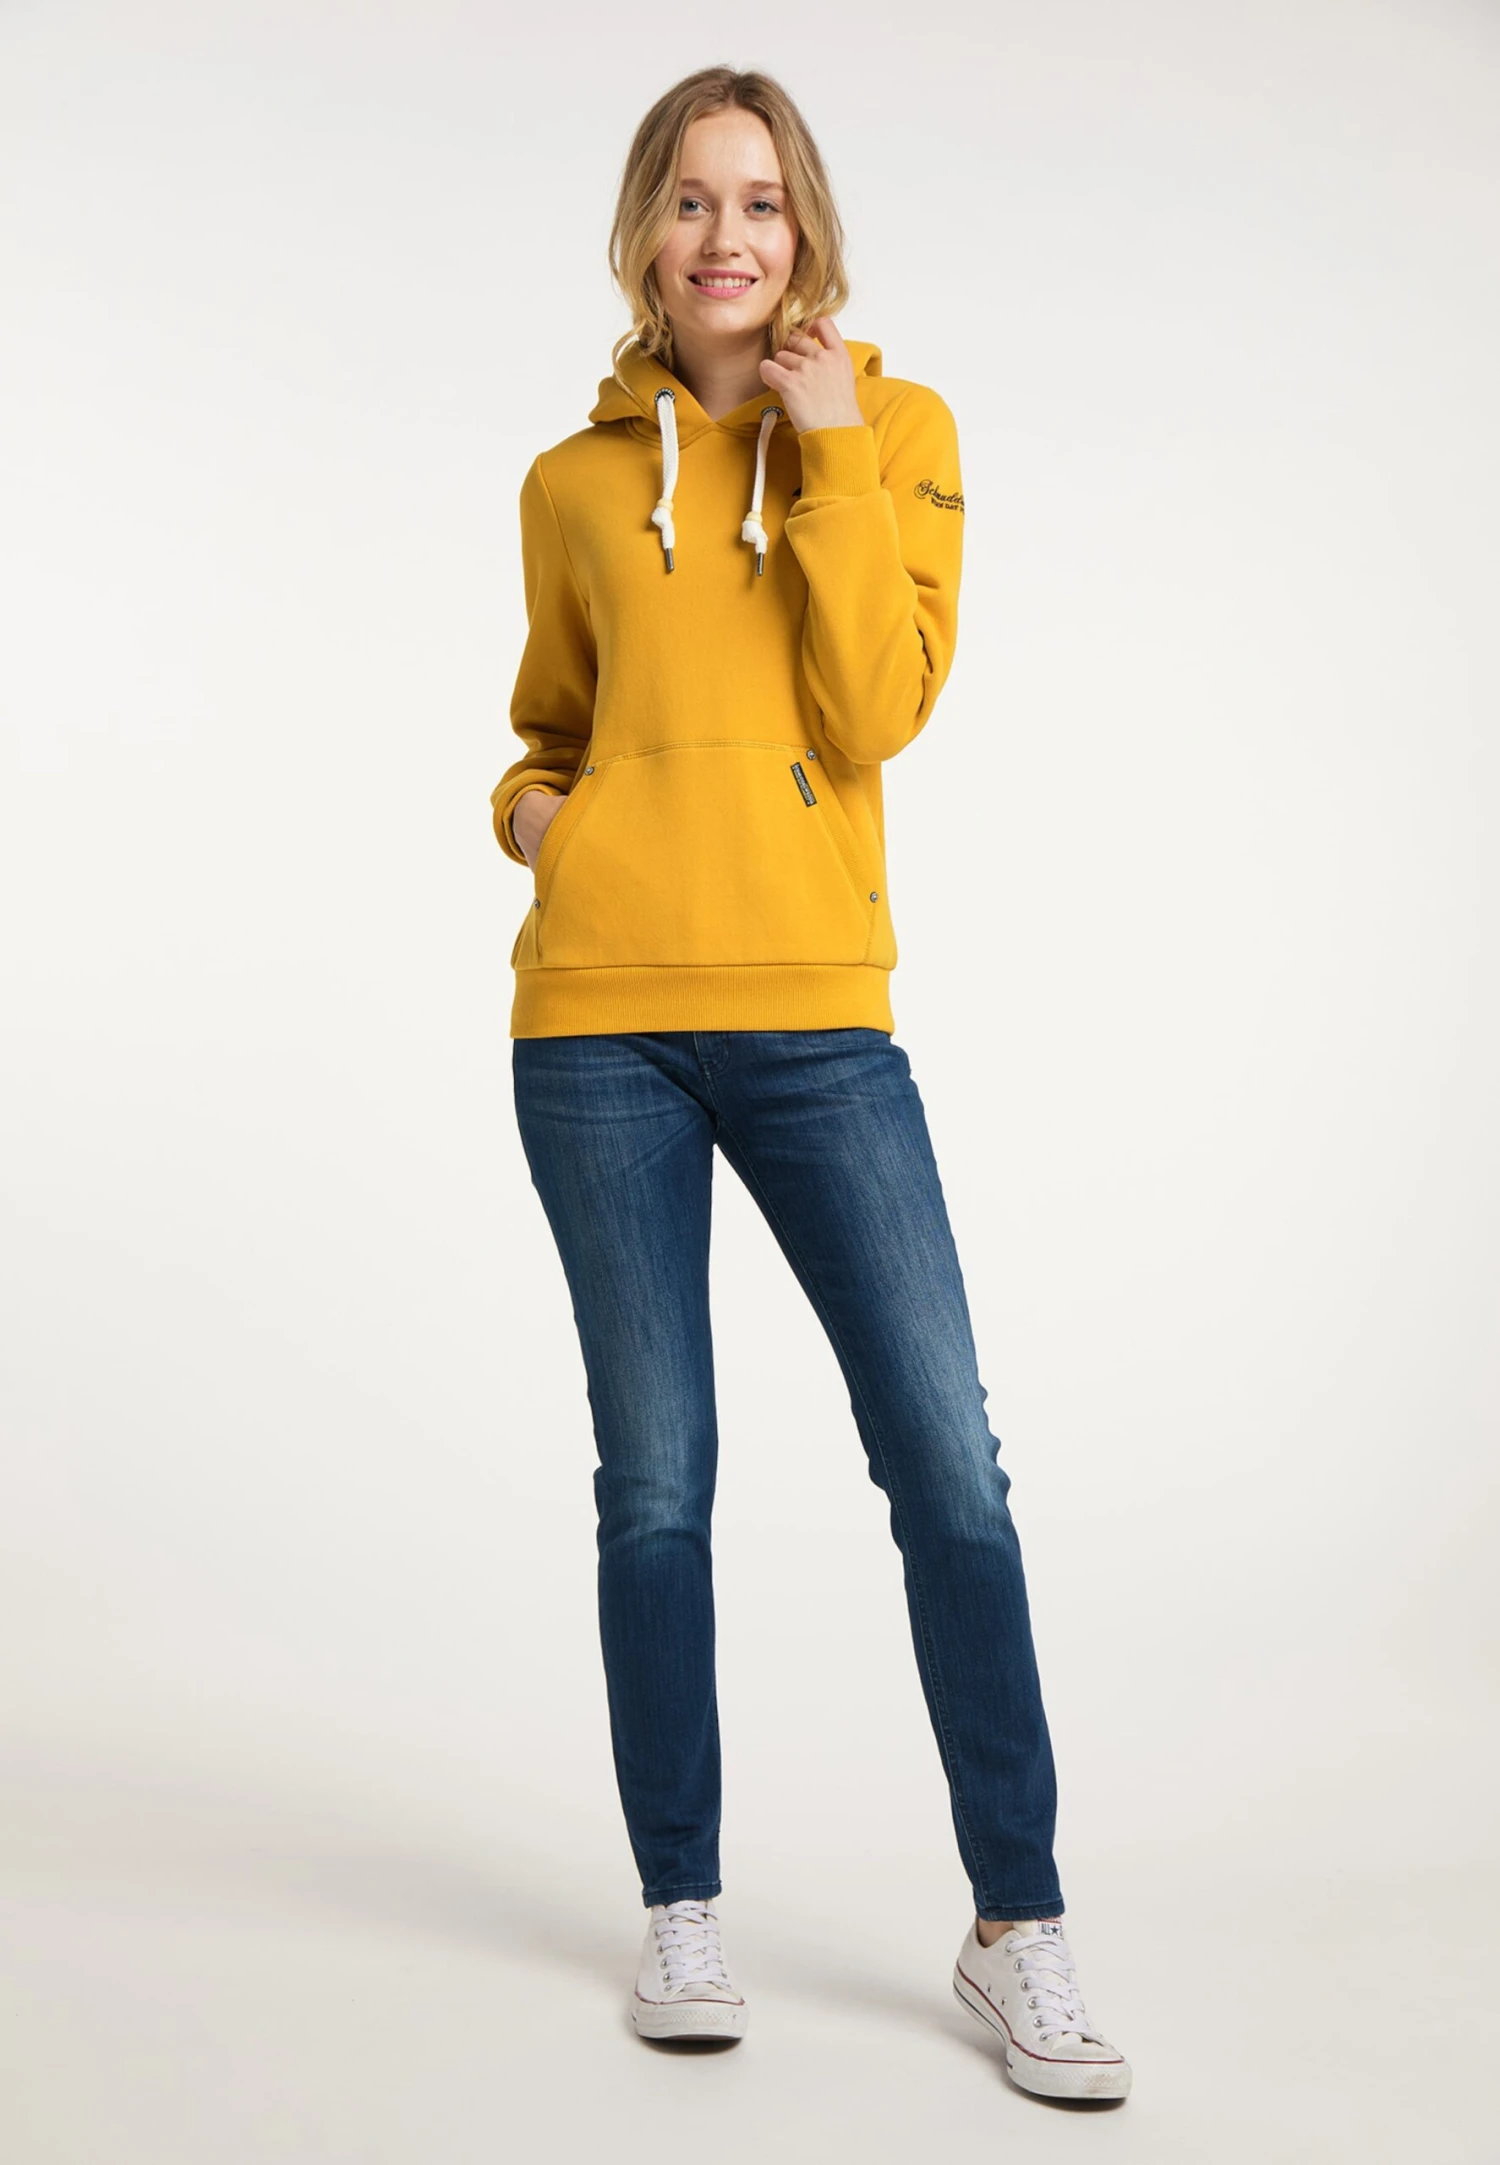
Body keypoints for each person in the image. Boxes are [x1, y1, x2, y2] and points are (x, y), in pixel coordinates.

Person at [490, 64, 1132, 2103]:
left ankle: (1016, 1925)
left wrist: (831, 444)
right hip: (596, 1027)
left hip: (815, 1018)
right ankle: (681, 1901)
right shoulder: (573, 481)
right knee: (656, 1478)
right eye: (691, 201)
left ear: (806, 229)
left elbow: (877, 706)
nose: (725, 237)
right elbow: (546, 727)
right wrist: (539, 821)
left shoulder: (898, 431)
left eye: (759, 201)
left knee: (948, 1463)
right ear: (645, 231)